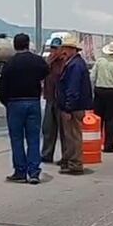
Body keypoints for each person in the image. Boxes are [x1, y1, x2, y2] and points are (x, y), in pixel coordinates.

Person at [0, 33, 49, 184]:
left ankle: (20, 172)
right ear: (28, 44)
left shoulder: (10, 63)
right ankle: (34, 172)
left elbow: (2, 88)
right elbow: (46, 71)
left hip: (14, 103)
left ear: (15, 45)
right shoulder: (37, 61)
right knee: (33, 139)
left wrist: (6, 102)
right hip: (33, 101)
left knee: (17, 139)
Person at [56, 35, 93, 175]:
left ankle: (75, 163)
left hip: (74, 108)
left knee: (73, 136)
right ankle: (71, 161)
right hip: (74, 106)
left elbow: (73, 89)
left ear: (72, 50)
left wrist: (68, 108)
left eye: (65, 48)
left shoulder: (75, 66)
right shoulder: (74, 63)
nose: (63, 51)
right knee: (71, 136)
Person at [41, 37, 69, 166]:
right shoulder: (49, 61)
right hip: (50, 97)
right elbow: (42, 75)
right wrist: (48, 63)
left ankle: (66, 156)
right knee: (48, 128)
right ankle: (47, 154)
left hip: (61, 99)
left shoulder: (65, 62)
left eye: (55, 48)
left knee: (63, 131)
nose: (53, 51)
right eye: (52, 48)